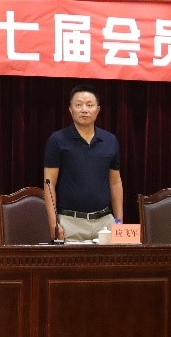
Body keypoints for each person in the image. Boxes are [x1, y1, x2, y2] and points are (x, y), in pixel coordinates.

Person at [43, 84, 123, 241]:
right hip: (70, 223)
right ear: (70, 109)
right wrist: (53, 223)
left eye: (89, 105)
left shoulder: (110, 140)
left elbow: (115, 182)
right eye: (78, 105)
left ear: (98, 110)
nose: (84, 110)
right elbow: (49, 183)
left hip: (105, 222)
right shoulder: (57, 140)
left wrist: (118, 221)